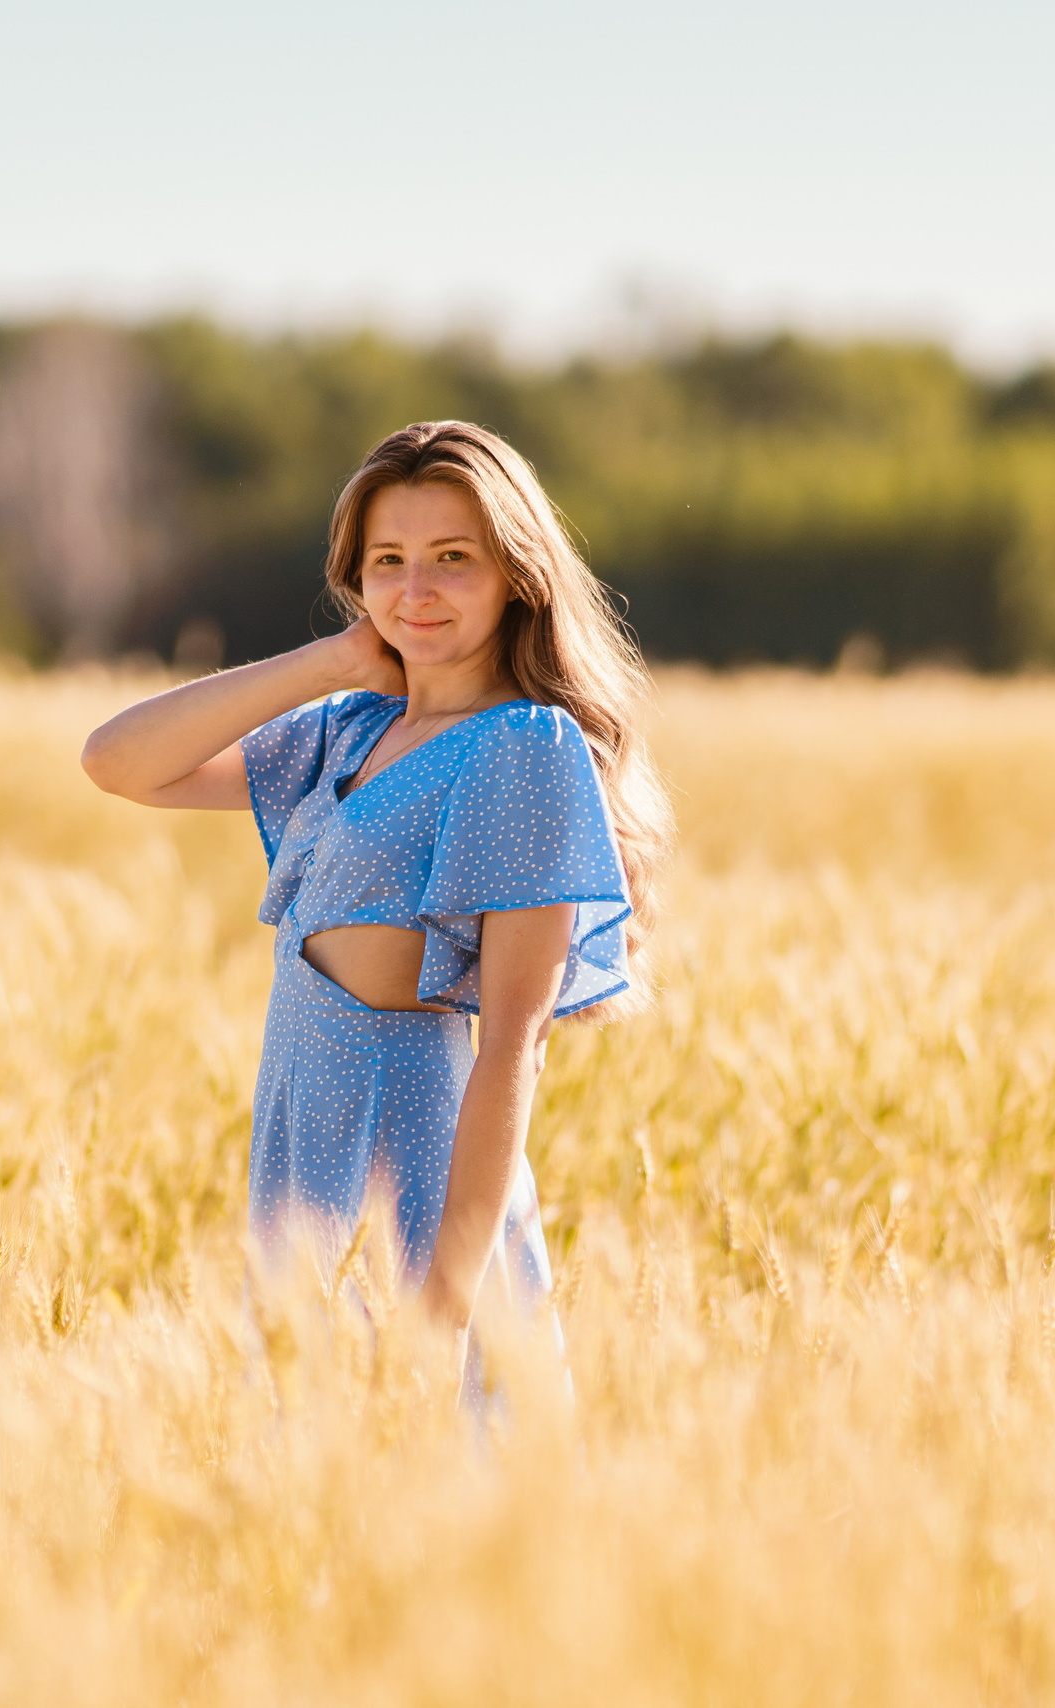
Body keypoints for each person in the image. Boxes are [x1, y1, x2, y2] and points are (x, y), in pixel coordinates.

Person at [81, 421, 673, 1381]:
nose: (417, 590)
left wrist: (442, 1303)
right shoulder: (348, 732)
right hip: (303, 1197)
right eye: (387, 561)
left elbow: (515, 1043)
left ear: (517, 575)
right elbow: (118, 762)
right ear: (355, 580)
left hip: (426, 1215)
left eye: (453, 559)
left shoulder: (523, 748)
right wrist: (333, 664)